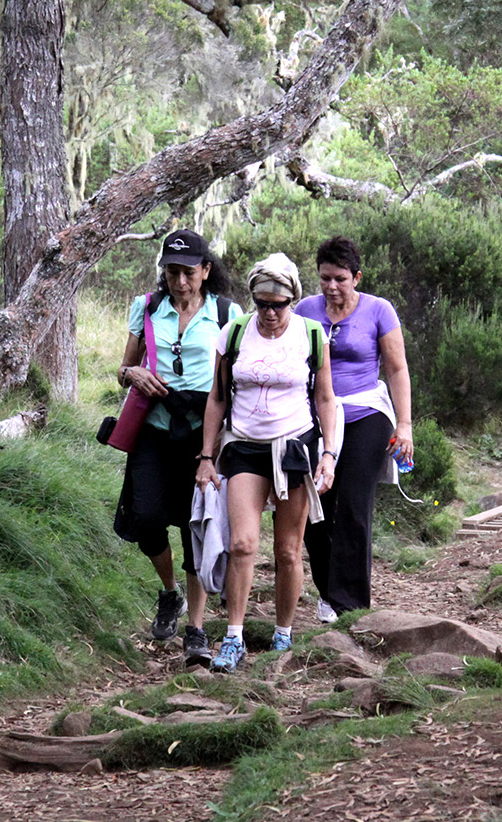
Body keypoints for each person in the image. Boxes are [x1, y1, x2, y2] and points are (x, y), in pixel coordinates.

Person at [195, 253, 340, 673]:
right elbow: (217, 397)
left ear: (292, 300)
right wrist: (207, 456)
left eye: (279, 304)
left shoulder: (312, 335)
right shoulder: (234, 332)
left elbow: (325, 398)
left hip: (293, 448)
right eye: (263, 303)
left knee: (288, 551)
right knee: (242, 544)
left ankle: (282, 633)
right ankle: (234, 637)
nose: (271, 313)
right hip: (244, 447)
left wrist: (328, 454)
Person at [115, 229, 238, 668]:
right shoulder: (147, 307)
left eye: (188, 272)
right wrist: (134, 375)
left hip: (202, 431)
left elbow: (234, 380)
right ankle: (169, 594)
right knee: (146, 519)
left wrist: (218, 446)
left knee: (195, 528)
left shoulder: (227, 314)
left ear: (206, 271)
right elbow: (123, 367)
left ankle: (197, 631)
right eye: (171, 273)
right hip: (155, 426)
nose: (180, 282)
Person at [296, 235, 413, 621]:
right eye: (325, 278)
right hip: (313, 415)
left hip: (366, 412)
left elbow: (396, 368)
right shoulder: (303, 310)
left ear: (356, 277)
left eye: (340, 279)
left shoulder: (380, 311)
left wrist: (406, 424)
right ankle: (329, 592)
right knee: (314, 505)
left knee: (352, 504)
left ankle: (351, 605)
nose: (332, 287)